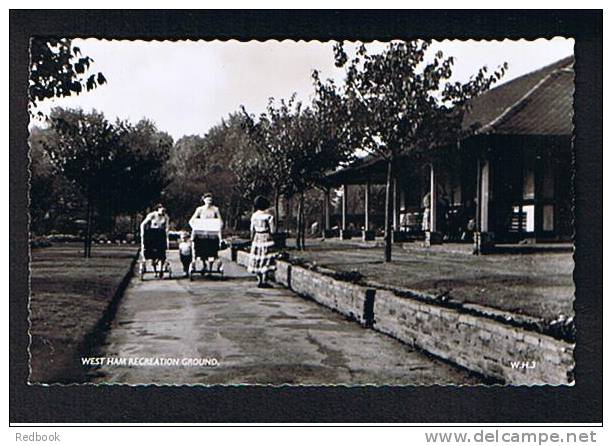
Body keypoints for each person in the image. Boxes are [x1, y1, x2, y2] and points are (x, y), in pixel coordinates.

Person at [189, 193, 223, 270]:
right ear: (204, 200)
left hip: (212, 234)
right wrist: (196, 227)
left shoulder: (215, 209)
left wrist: (217, 227)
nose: (209, 201)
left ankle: (211, 266)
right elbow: (191, 221)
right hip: (202, 233)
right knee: (201, 251)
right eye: (207, 200)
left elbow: (220, 221)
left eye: (210, 200)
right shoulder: (200, 209)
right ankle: (204, 264)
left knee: (212, 252)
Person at [247, 196, 276, 288]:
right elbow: (273, 230)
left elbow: (251, 229)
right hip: (266, 237)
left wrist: (252, 239)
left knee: (258, 257)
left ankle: (259, 280)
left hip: (257, 238)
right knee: (266, 258)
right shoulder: (269, 216)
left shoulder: (254, 215)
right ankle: (264, 280)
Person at [140, 203, 169, 277]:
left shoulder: (165, 217)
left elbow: (167, 227)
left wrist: (167, 234)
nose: (163, 212)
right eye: (161, 210)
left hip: (161, 234)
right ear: (158, 209)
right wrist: (143, 232)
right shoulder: (152, 215)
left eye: (164, 210)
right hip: (153, 233)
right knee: (152, 252)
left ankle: (161, 269)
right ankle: (155, 269)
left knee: (162, 252)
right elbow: (143, 224)